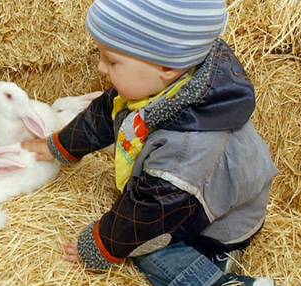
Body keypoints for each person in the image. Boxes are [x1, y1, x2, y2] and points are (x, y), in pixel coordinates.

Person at [21, 1, 278, 285]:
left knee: (143, 249)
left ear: (167, 65)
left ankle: (219, 275)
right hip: (184, 197)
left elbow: (149, 213)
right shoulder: (165, 87)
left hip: (217, 224)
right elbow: (108, 113)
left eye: (112, 61)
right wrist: (62, 146)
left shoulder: (189, 150)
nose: (100, 67)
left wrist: (102, 245)